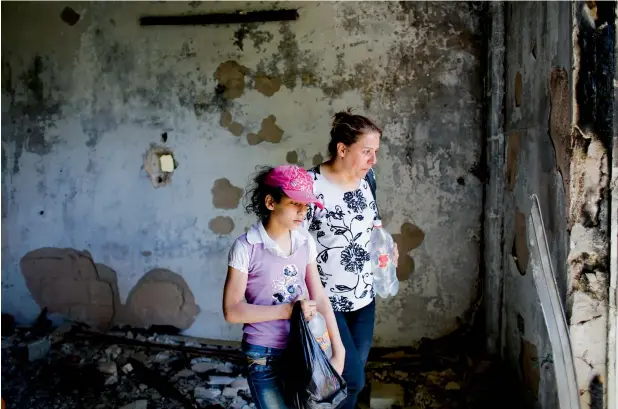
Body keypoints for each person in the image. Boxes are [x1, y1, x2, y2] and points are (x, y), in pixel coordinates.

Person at [222, 164, 346, 409]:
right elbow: (232, 310)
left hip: (304, 348)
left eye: (306, 206)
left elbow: (319, 297)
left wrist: (338, 350)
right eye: (294, 204)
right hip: (263, 354)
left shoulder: (304, 242)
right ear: (271, 202)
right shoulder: (246, 247)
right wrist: (285, 311)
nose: (302, 212)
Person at [304, 110, 399, 409]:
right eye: (367, 152)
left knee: (349, 385)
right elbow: (294, 245)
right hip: (325, 302)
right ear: (342, 149)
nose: (374, 160)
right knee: (350, 378)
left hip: (364, 298)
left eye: (376, 152)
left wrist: (386, 248)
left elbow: (373, 226)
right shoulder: (309, 186)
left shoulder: (367, 178)